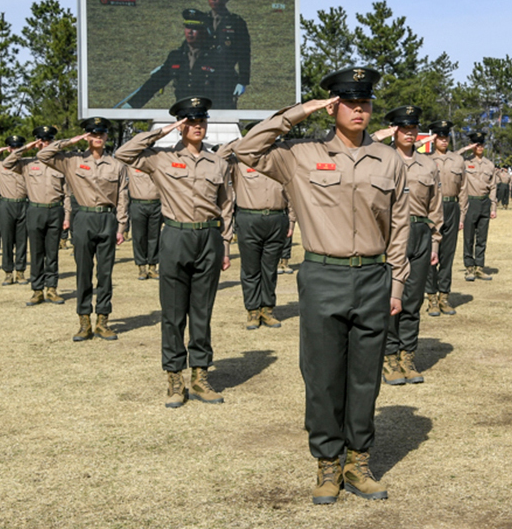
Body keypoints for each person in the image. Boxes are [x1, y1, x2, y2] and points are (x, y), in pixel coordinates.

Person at [234, 67, 409, 504]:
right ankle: (328, 464)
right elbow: (246, 149)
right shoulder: (300, 155)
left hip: (373, 276)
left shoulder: (389, 159)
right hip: (322, 275)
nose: (359, 110)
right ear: (333, 107)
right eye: (349, 102)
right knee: (323, 376)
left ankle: (358, 462)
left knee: (365, 377)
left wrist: (397, 283)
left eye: (365, 102)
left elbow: (400, 224)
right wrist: (298, 112)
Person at [115, 98, 233, 406]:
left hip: (208, 238)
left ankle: (200, 376)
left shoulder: (218, 163)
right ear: (181, 126)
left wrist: (226, 244)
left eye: (201, 120)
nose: (197, 126)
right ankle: (174, 377)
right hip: (175, 236)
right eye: (190, 121)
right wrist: (162, 131)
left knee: (202, 313)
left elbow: (226, 206)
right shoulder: (160, 158)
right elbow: (123, 153)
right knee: (173, 313)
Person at [38, 119, 129, 341]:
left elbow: (123, 197)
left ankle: (103, 321)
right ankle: (84, 321)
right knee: (83, 273)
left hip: (107, 219)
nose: (97, 137)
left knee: (105, 274)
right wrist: (71, 141)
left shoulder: (117, 165)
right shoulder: (72, 161)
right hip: (84, 218)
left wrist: (121, 226)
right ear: (86, 136)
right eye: (92, 133)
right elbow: (43, 155)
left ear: (106, 136)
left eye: (101, 133)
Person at [375, 106, 442, 385]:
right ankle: (389, 357)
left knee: (413, 300)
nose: (410, 133)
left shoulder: (428, 164)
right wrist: (380, 135)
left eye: (413, 127)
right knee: (392, 298)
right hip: (390, 233)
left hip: (420, 232)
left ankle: (407, 356)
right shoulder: (381, 158)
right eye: (403, 128)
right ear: (394, 130)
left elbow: (435, 205)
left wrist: (435, 242)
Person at [218, 123, 294, 330]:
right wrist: (242, 142)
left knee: (270, 269)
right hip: (249, 218)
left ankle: (267, 309)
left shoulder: (280, 160)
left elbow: (291, 192)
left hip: (277, 218)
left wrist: (291, 220)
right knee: (251, 268)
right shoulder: (239, 161)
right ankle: (252, 310)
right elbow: (218, 157)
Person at [4, 126, 68, 305]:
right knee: (36, 252)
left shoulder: (61, 163)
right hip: (35, 210)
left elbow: (68, 193)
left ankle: (52, 289)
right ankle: (37, 290)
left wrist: (67, 216)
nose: (45, 143)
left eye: (48, 140)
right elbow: (7, 163)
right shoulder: (27, 163)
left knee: (52, 253)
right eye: (42, 140)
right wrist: (28, 147)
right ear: (37, 142)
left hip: (55, 210)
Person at [122, 9, 221, 109]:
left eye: (195, 28)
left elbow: (225, 90)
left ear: (204, 31)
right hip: (183, 110)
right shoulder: (176, 56)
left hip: (210, 112)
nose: (190, 32)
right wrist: (131, 105)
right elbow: (155, 83)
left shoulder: (216, 57)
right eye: (187, 27)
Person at [423, 120, 465, 317]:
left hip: (451, 207)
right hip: (432, 209)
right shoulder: (425, 160)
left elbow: (463, 189)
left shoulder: (458, 160)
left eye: (446, 137)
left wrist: (462, 215)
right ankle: (431, 297)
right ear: (434, 138)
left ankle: (444, 296)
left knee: (448, 255)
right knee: (431, 254)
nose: (443, 140)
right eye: (439, 137)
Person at [461, 132, 497, 281]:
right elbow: (453, 157)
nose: (480, 147)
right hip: (470, 202)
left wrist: (493, 207)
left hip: (484, 202)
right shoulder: (464, 162)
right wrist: (466, 149)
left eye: (481, 144)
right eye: (476, 145)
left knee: (482, 238)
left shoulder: (489, 164)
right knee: (468, 237)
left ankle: (479, 267)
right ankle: (469, 267)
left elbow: (493, 187)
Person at [207, 0, 251, 109]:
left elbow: (244, 54)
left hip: (225, 79)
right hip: (202, 77)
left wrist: (242, 81)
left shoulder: (236, 22)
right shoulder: (202, 19)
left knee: (225, 113)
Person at [0, 135, 28, 284]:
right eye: (13, 147)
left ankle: (20, 271)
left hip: (23, 203)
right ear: (8, 149)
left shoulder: (27, 163)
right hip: (6, 204)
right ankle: (8, 272)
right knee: (7, 239)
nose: (16, 150)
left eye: (18, 147)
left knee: (22, 240)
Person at [126, 157, 162, 281]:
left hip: (156, 204)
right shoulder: (131, 165)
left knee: (155, 237)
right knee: (139, 236)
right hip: (138, 204)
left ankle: (153, 267)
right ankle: (141, 267)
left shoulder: (158, 164)